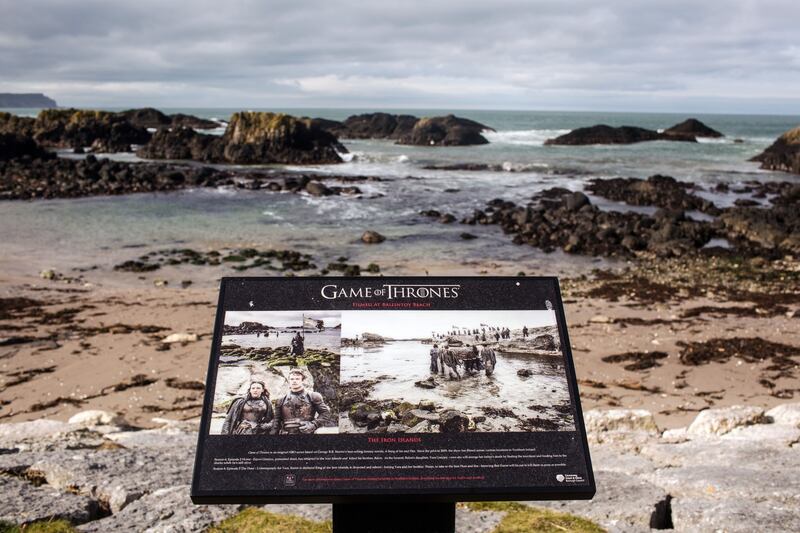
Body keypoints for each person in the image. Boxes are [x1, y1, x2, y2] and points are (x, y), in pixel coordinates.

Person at [272, 369, 332, 434]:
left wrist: (314, 424)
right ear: (289, 380)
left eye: (297, 379)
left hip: (306, 432)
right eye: (292, 379)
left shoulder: (313, 396)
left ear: (302, 380)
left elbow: (325, 413)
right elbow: (276, 421)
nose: (294, 381)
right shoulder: (281, 400)